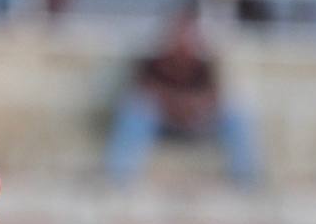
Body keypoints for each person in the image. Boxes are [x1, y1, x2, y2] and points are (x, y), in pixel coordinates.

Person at [105, 11, 261, 185]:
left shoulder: (203, 64)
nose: (183, 41)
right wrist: (179, 103)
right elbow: (143, 92)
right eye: (179, 35)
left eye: (188, 36)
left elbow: (213, 97)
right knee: (135, 108)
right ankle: (117, 180)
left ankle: (247, 182)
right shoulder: (152, 62)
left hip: (196, 123)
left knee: (235, 113)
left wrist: (185, 103)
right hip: (162, 124)